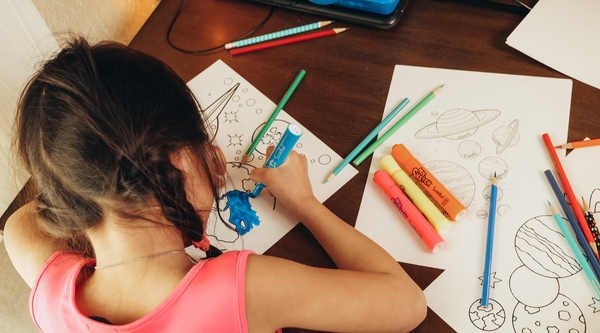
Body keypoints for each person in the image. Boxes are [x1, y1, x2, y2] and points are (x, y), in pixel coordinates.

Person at [4, 37, 427, 333]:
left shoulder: (50, 291)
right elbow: (407, 306)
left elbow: (24, 220)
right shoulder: (239, 290)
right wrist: (303, 202)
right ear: (178, 161)